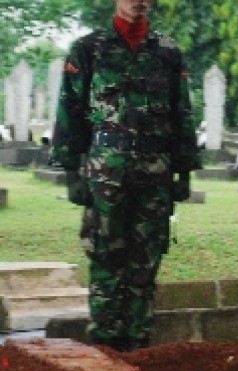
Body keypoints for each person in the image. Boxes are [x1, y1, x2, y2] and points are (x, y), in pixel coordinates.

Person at [50, 0, 201, 351]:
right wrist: (71, 170)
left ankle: (138, 344)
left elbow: (182, 112)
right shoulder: (88, 49)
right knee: (106, 257)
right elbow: (70, 108)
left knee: (146, 260)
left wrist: (184, 170)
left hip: (155, 172)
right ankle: (105, 343)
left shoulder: (168, 51)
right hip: (106, 174)